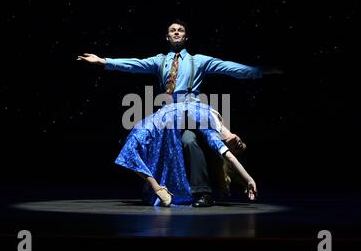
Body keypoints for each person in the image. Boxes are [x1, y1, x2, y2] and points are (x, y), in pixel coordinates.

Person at [77, 19, 262, 206]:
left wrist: (258, 71)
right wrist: (104, 61)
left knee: (190, 141)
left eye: (180, 30)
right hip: (167, 114)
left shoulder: (198, 61)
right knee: (136, 141)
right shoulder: (160, 61)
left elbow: (228, 67)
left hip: (191, 112)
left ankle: (203, 193)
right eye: (172, 30)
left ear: (186, 36)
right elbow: (134, 64)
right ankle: (158, 187)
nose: (176, 32)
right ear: (167, 36)